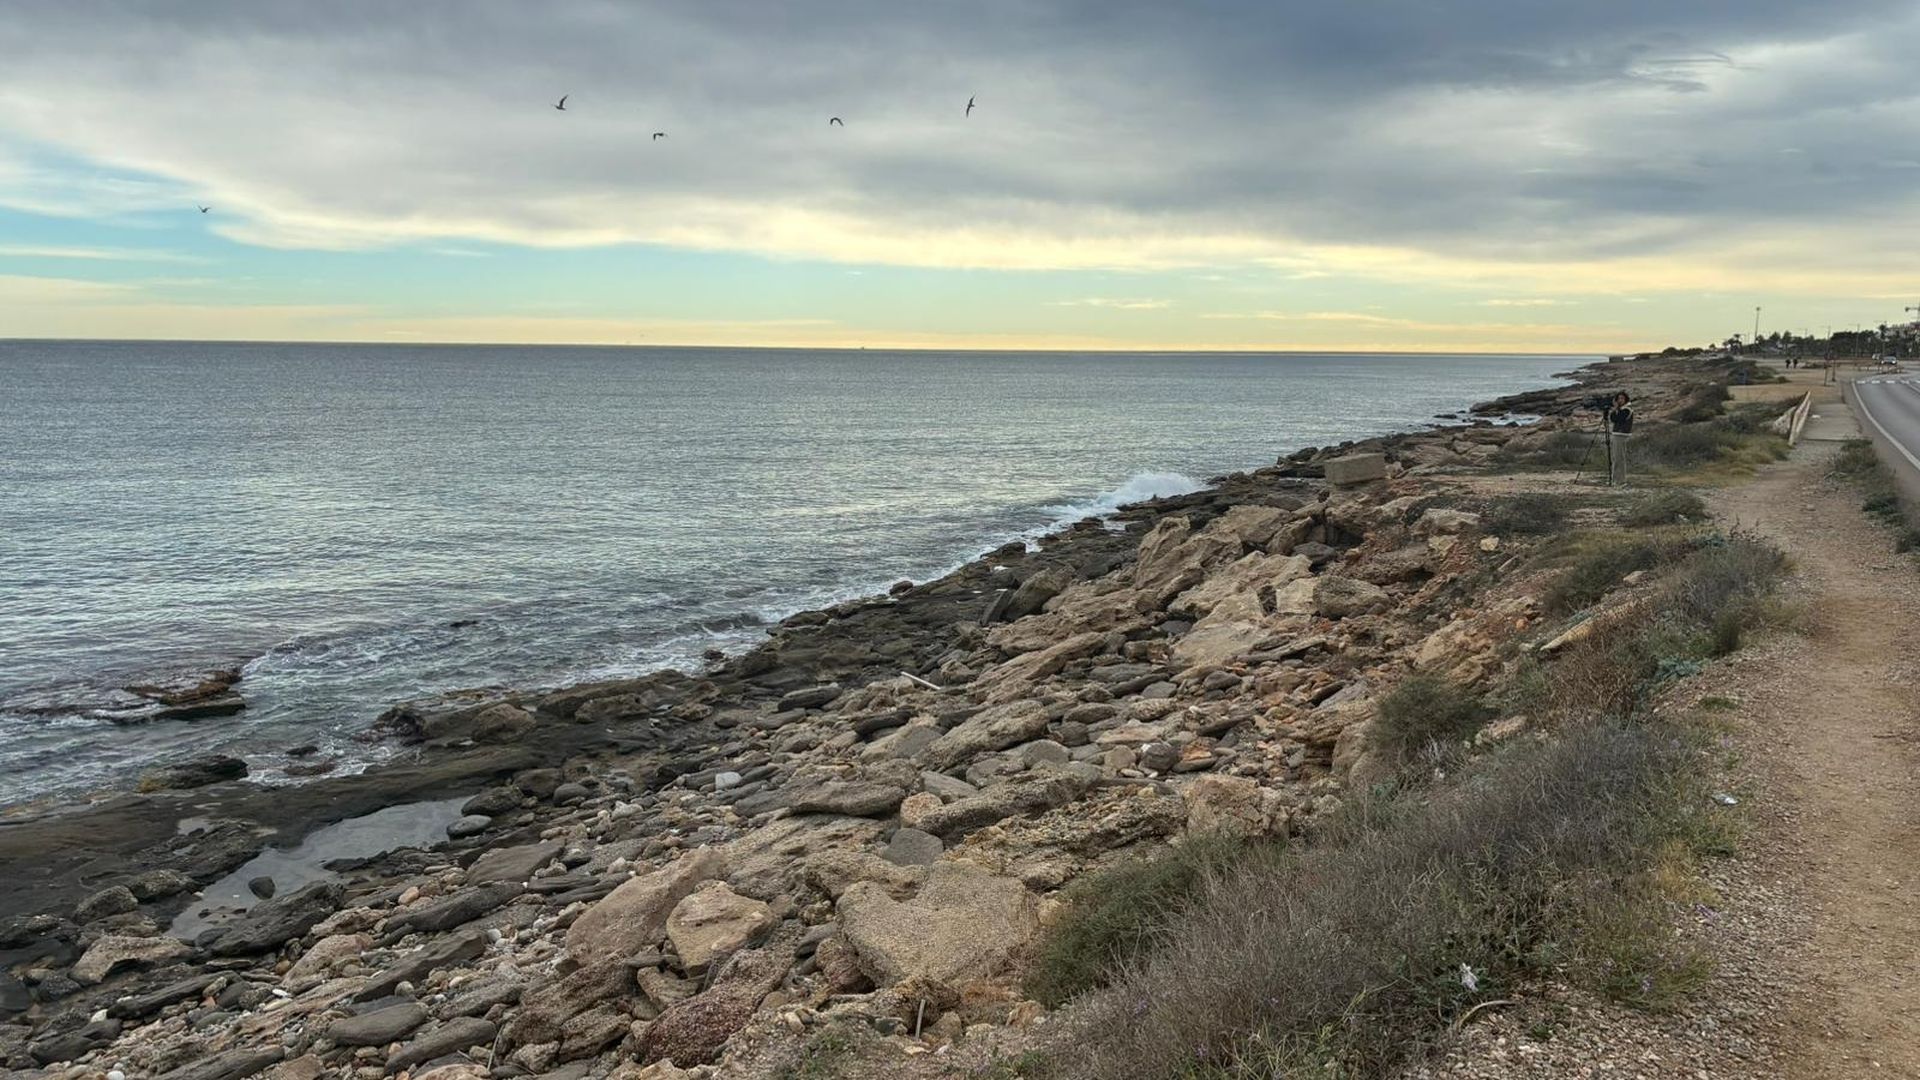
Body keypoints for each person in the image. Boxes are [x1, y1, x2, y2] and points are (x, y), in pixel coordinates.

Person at [1602, 391, 1633, 486]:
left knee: (1620, 458)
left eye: (1622, 399)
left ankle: (1620, 480)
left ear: (1625, 399)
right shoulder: (1620, 409)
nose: (1620, 401)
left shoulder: (1627, 410)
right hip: (1616, 434)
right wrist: (1613, 410)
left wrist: (1616, 409)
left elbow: (1618, 418)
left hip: (1622, 435)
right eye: (1619, 399)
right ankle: (1615, 479)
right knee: (1616, 458)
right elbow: (1612, 418)